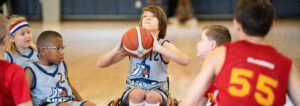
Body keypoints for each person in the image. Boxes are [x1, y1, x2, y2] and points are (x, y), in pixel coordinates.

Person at [181, 0, 300, 105]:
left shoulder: (219, 54)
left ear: (236, 24)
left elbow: (189, 102)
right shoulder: (287, 66)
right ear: (271, 26)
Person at [97, 5, 189, 106]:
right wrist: (115, 50)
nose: (147, 18)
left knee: (151, 96)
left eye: (153, 16)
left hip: (158, 91)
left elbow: (185, 60)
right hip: (133, 89)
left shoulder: (164, 45)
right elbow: (101, 63)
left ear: (161, 24)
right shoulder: (132, 45)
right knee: (138, 94)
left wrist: (159, 49)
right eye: (145, 16)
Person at [25, 30, 95, 106]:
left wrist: (82, 102)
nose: (62, 52)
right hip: (46, 103)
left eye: (62, 47)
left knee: (90, 105)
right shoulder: (31, 70)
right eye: (58, 48)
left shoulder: (61, 64)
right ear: (43, 51)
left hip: (67, 101)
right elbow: (23, 94)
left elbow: (69, 85)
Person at [0, 13, 32, 106]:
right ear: (9, 39)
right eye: (22, 34)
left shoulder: (38, 53)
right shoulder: (13, 70)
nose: (27, 36)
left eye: (28, 32)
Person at [196, 25, 231, 106]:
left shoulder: (219, 73)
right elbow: (213, 99)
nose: (197, 44)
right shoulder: (215, 71)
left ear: (212, 44)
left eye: (201, 39)